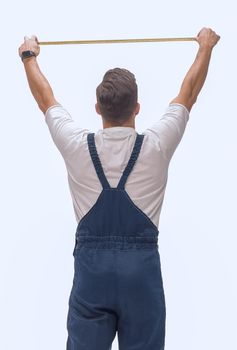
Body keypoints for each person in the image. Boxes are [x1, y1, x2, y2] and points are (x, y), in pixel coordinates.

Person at [19, 27, 220, 350]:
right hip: (141, 275)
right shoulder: (157, 145)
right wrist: (205, 47)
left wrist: (28, 56)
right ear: (137, 107)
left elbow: (46, 100)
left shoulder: (76, 145)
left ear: (98, 108)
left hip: (92, 275)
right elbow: (189, 93)